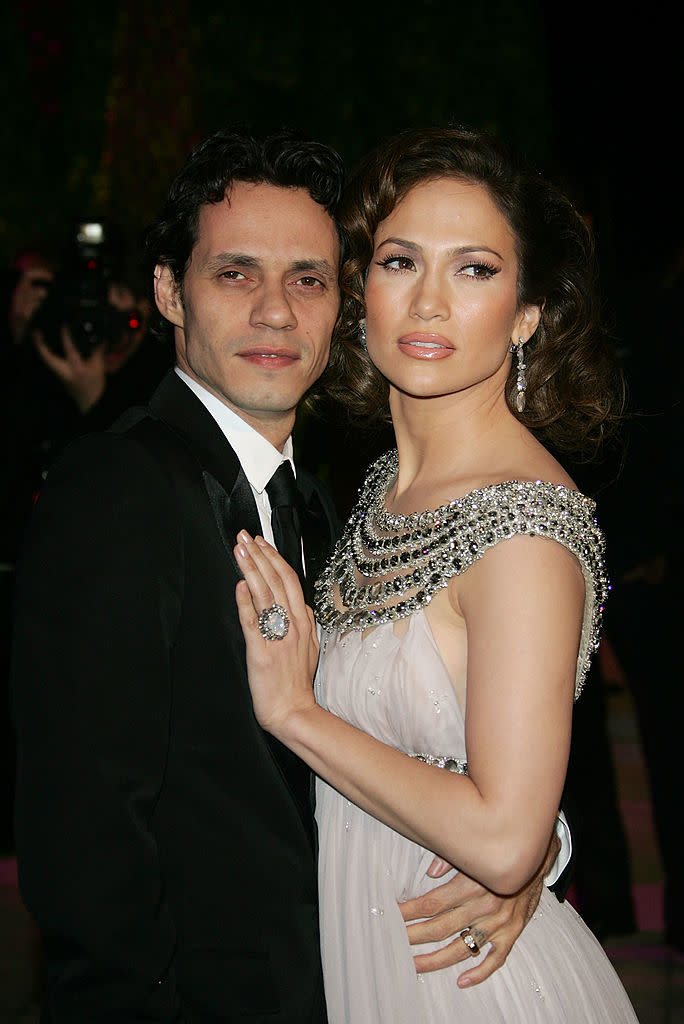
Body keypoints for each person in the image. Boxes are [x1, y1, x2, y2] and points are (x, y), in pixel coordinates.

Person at [10, 127, 560, 1023]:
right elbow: (86, 849)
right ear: (168, 292)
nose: (274, 311)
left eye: (306, 278)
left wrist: (533, 850)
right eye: (235, 274)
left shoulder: (340, 499)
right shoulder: (115, 493)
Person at [233, 127, 639, 1021]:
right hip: (379, 957)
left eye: (476, 270)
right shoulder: (382, 486)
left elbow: (500, 838)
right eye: (400, 260)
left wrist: (294, 712)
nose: (428, 303)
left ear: (528, 313)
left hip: (469, 988)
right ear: (360, 292)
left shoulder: (524, 524)